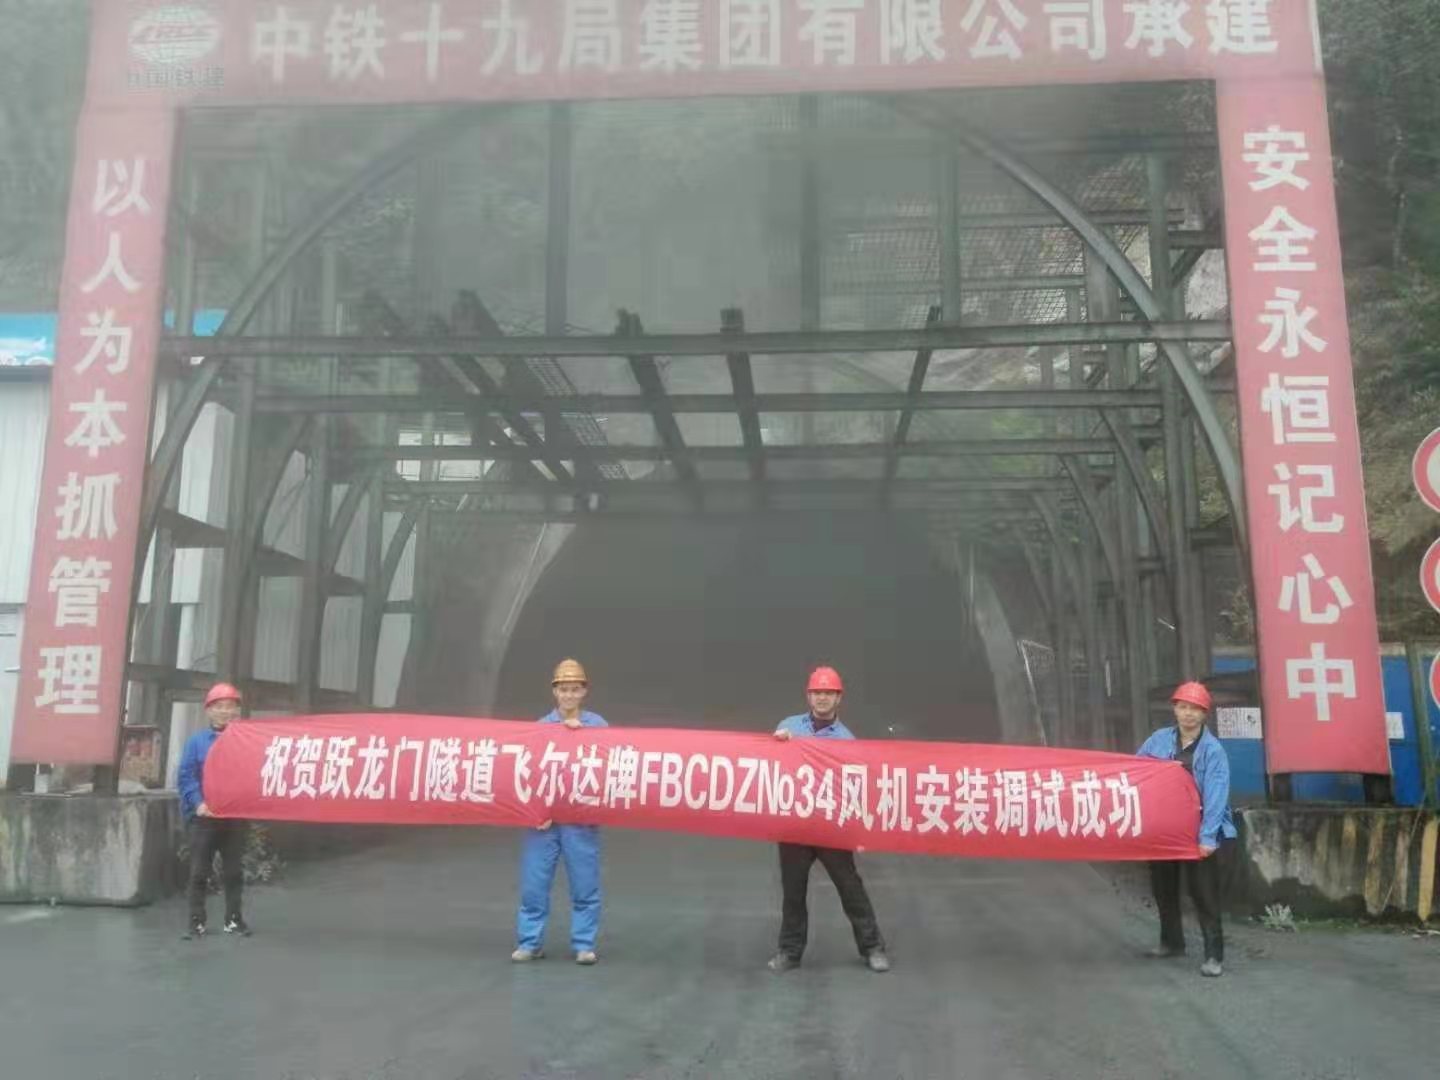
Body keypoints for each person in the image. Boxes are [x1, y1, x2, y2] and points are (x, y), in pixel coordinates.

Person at [768, 666, 890, 974]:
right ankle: (789, 952)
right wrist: (777, 745)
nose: (822, 698)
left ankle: (873, 948)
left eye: (828, 693)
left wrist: (859, 832)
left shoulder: (847, 741)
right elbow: (769, 767)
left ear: (838, 699)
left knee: (850, 887)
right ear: (808, 696)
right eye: (817, 692)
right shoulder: (788, 727)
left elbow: (856, 789)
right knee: (793, 892)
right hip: (795, 825)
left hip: (831, 827)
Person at [1137, 680, 1237, 977]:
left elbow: (1216, 797)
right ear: (1175, 709)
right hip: (1165, 829)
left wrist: (1207, 837)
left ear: (1205, 714)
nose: (1188, 714)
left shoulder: (1213, 751)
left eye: (1195, 709)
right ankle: (1171, 943)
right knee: (1163, 889)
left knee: (1203, 894)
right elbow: (1136, 770)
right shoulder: (1158, 740)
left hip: (1199, 831)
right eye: (1183, 707)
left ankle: (1214, 955)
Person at [512, 659, 608, 966]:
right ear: (555, 692)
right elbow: (528, 772)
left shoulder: (598, 727)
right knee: (534, 884)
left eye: (574, 689)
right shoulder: (540, 727)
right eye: (564, 689)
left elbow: (609, 768)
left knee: (585, 884)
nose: (569, 695)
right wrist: (535, 812)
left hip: (580, 821)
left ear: (584, 691)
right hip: (545, 821)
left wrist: (582, 735)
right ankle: (530, 943)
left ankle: (584, 945)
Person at [177, 682, 251, 940]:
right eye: (219, 706)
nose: (225, 711)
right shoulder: (196, 743)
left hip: (234, 818)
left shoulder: (247, 741)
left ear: (238, 711)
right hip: (204, 818)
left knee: (234, 872)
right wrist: (199, 804)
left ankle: (234, 920)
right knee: (199, 871)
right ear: (209, 711)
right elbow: (186, 776)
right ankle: (195, 923)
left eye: (230, 706)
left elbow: (253, 774)